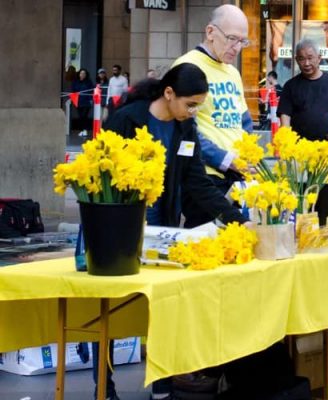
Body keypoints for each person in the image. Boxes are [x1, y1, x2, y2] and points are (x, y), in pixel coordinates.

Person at [94, 63, 250, 400]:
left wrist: (237, 218)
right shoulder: (127, 120)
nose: (193, 111)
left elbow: (198, 183)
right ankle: (103, 388)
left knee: (161, 307)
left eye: (197, 105)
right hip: (119, 226)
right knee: (109, 307)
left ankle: (163, 386)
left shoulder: (185, 128)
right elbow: (102, 174)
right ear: (168, 94)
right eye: (190, 104)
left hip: (162, 226)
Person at [172, 4, 254, 228]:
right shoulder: (187, 67)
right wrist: (226, 160)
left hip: (237, 175)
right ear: (210, 32)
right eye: (232, 39)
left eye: (242, 42)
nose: (237, 48)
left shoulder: (233, 72)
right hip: (205, 176)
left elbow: (243, 121)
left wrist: (250, 156)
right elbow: (187, 130)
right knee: (205, 238)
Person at [278, 39, 328, 140]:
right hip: (299, 147)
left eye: (310, 58)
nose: (306, 63)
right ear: (296, 60)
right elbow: (285, 115)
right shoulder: (290, 86)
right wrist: (287, 138)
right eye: (302, 59)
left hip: (327, 147)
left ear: (319, 58)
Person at [71, 68, 94, 137]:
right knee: (81, 116)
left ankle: (85, 130)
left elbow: (91, 91)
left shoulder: (89, 82)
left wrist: (91, 100)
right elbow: (73, 90)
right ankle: (82, 130)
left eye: (84, 73)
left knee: (84, 116)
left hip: (86, 102)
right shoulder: (76, 82)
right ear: (79, 74)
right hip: (79, 102)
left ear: (86, 75)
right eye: (81, 73)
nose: (82, 75)